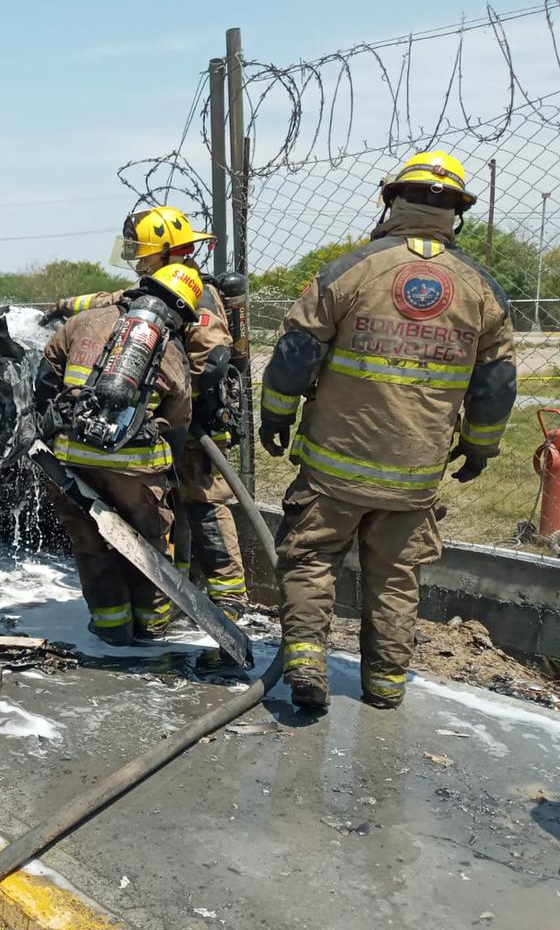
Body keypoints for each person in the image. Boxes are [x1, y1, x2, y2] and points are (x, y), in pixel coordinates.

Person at [259, 150, 517, 711]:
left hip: (333, 466)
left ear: (390, 199)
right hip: (415, 477)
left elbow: (295, 353)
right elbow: (497, 385)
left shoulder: (350, 270)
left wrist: (275, 415)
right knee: (396, 578)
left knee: (310, 559)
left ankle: (305, 660)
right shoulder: (480, 288)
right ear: (457, 212)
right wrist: (479, 447)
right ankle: (384, 685)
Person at [42, 206, 251, 620]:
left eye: (145, 251)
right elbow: (111, 300)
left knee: (203, 501)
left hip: (195, 421)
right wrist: (64, 305)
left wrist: (169, 402)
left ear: (170, 252)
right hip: (159, 419)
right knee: (166, 509)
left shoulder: (199, 296)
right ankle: (177, 594)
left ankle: (229, 598)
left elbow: (210, 364)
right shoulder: (157, 289)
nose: (138, 258)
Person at [36, 262, 199, 645]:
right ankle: (152, 626)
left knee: (90, 544)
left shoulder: (83, 322)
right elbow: (178, 420)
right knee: (148, 546)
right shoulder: (170, 350)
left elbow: (45, 375)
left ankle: (111, 628)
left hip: (72, 462)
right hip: (134, 472)